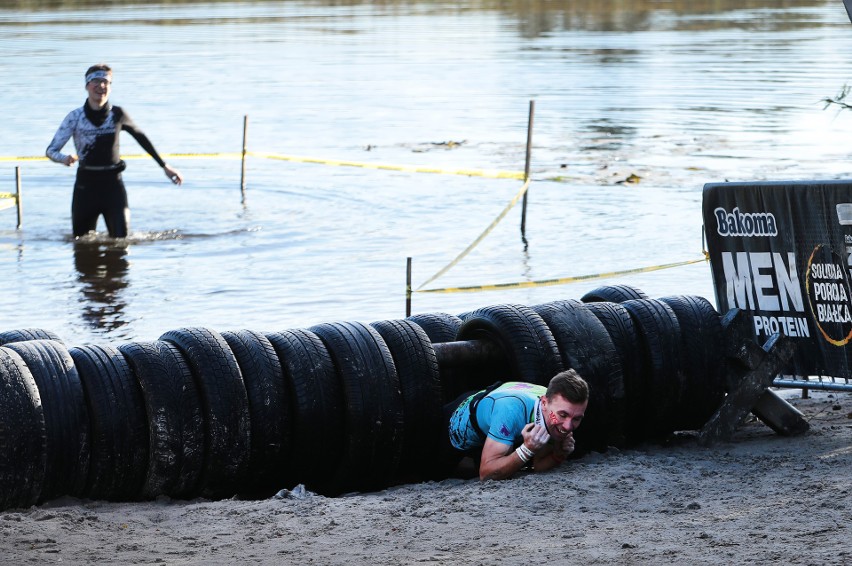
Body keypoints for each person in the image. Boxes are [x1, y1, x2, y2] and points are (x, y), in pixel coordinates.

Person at [46, 63, 183, 238]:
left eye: (106, 82)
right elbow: (51, 150)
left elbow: (142, 138)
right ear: (87, 86)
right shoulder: (75, 117)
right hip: (85, 187)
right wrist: (64, 158)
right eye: (96, 81)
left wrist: (165, 166)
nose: (101, 86)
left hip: (113, 186)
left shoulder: (117, 114)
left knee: (121, 244)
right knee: (82, 246)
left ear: (110, 87)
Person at [446, 369, 589, 481]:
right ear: (544, 403)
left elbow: (539, 465)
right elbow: (486, 474)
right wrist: (527, 450)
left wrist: (558, 455)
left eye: (577, 419)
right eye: (563, 415)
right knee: (436, 472)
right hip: (455, 422)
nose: (568, 426)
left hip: (493, 414)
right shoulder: (511, 411)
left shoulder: (556, 408)